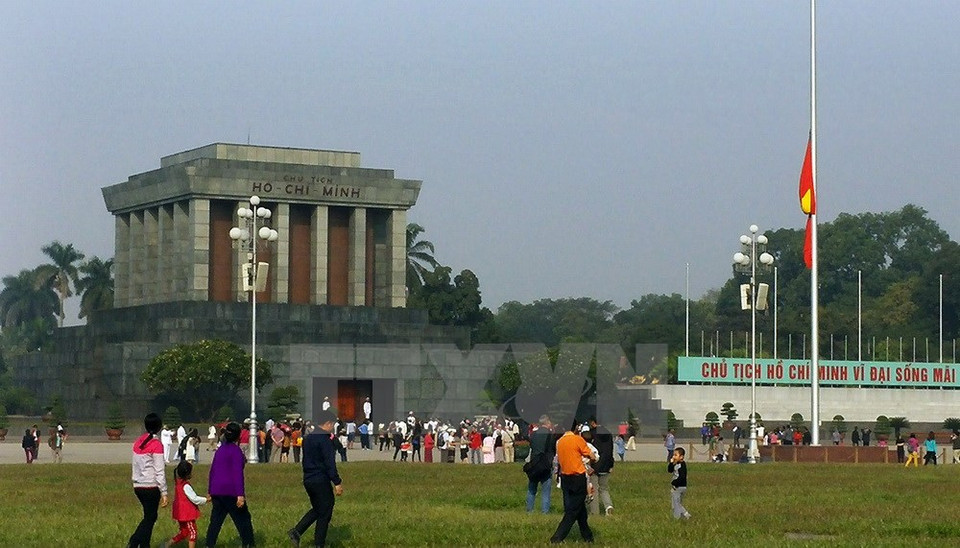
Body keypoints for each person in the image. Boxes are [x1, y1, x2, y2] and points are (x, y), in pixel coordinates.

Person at [288, 410, 343, 547]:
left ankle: (297, 531)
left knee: (318, 509)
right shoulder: (324, 440)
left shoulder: (309, 437)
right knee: (325, 511)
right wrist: (337, 481)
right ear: (328, 423)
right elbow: (329, 462)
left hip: (308, 478)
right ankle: (319, 543)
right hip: (321, 479)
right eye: (333, 424)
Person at [205, 422, 255, 547]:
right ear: (238, 436)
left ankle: (209, 544)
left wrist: (210, 490)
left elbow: (213, 470)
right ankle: (248, 543)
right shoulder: (236, 451)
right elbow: (237, 474)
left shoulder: (220, 450)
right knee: (243, 520)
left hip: (217, 491)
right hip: (231, 491)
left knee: (215, 522)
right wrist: (240, 494)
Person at [549, 419, 596, 544]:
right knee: (572, 511)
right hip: (577, 477)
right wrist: (593, 459)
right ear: (575, 428)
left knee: (580, 511)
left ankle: (588, 537)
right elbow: (591, 455)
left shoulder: (559, 442)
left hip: (565, 478)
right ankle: (557, 537)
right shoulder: (577, 439)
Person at [128, 413, 168, 548]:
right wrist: (164, 492)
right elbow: (159, 470)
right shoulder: (156, 444)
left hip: (138, 485)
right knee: (150, 518)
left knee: (149, 517)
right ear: (159, 427)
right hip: (150, 486)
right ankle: (134, 541)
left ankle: (145, 544)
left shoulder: (138, 442)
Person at [167, 460, 210, 548]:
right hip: (187, 514)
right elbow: (194, 499)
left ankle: (166, 545)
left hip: (180, 512)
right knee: (193, 533)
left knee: (184, 532)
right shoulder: (186, 486)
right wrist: (206, 500)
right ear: (188, 474)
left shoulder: (178, 483)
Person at [526, 415, 555, 514]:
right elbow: (552, 449)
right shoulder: (550, 435)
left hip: (534, 463)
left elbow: (532, 446)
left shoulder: (533, 434)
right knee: (545, 491)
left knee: (531, 489)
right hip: (545, 464)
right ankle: (545, 512)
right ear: (547, 423)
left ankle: (529, 510)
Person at [588, 417, 615, 516]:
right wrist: (611, 464)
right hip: (607, 464)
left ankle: (595, 512)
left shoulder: (591, 433)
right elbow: (610, 450)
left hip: (595, 465)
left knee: (593, 489)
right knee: (604, 488)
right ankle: (608, 506)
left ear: (593, 423)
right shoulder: (608, 433)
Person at [668, 447, 691, 519]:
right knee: (677, 503)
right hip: (677, 486)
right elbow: (670, 470)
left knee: (676, 504)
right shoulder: (676, 464)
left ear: (681, 457)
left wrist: (675, 483)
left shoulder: (682, 465)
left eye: (675, 455)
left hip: (679, 486)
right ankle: (683, 516)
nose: (674, 456)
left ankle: (678, 517)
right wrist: (671, 463)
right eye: (673, 455)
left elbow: (682, 477)